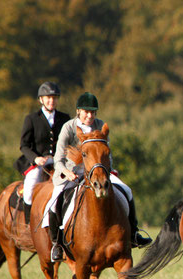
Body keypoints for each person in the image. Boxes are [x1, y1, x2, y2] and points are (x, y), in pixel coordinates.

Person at [47, 92, 152, 262]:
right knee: (54, 200)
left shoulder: (100, 125)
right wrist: (67, 173)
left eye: (93, 112)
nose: (90, 116)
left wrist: (107, 169)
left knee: (127, 190)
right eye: (86, 112)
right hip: (71, 173)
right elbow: (58, 159)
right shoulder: (68, 127)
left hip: (98, 172)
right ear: (78, 111)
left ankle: (133, 233)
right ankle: (57, 243)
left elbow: (107, 154)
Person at [14, 82, 70, 224]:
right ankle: (28, 224)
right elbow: (24, 145)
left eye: (55, 98)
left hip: (59, 163)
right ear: (41, 100)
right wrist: (36, 158)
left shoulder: (65, 118)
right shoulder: (31, 119)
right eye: (48, 98)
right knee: (29, 189)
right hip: (39, 163)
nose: (52, 101)